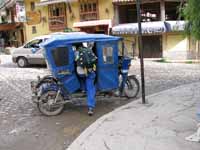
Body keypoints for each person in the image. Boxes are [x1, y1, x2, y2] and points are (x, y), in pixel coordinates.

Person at [74, 43, 97, 116]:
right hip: (89, 72)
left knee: (80, 77)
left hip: (80, 73)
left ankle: (83, 89)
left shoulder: (76, 52)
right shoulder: (89, 50)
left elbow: (75, 62)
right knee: (90, 88)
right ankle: (90, 108)